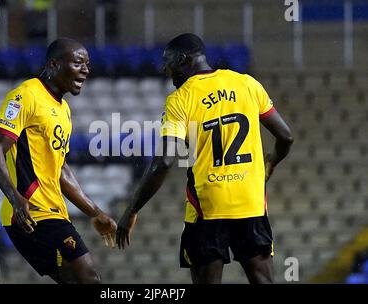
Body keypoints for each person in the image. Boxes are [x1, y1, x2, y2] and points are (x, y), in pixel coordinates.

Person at [116, 33, 294, 284]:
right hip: (250, 203)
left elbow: (164, 162)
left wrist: (132, 210)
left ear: (183, 59)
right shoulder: (247, 84)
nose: (167, 71)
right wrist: (272, 160)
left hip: (208, 206)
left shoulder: (181, 99)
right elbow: (286, 136)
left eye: (169, 63)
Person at [0, 38, 117, 284]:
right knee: (89, 277)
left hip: (53, 210)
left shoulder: (64, 110)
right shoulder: (25, 96)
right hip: (32, 212)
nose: (86, 70)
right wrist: (16, 199)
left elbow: (60, 170)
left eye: (87, 64)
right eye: (79, 63)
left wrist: (95, 212)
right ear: (54, 64)